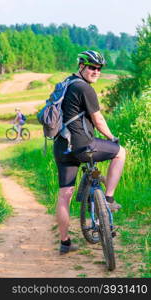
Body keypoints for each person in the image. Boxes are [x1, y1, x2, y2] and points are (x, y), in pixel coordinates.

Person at [53, 50, 126, 255]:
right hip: (84, 146)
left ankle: (65, 243)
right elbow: (98, 120)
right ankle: (109, 200)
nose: (96, 71)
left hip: (62, 147)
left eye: (99, 68)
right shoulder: (85, 88)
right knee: (120, 152)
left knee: (64, 194)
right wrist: (111, 138)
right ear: (82, 66)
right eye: (92, 67)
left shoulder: (65, 84)